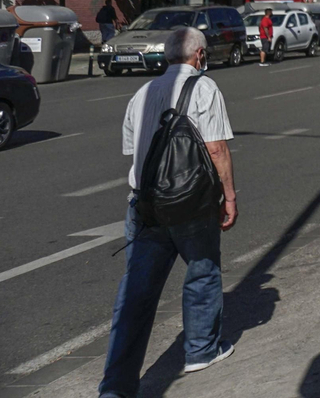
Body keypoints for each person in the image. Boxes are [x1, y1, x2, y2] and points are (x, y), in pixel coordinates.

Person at [100, 27, 237, 397]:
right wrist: (230, 196)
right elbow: (216, 150)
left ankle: (116, 386)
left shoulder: (142, 93)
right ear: (199, 56)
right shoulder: (205, 88)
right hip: (192, 202)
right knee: (202, 270)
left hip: (146, 206)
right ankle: (201, 349)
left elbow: (134, 150)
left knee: (136, 296)